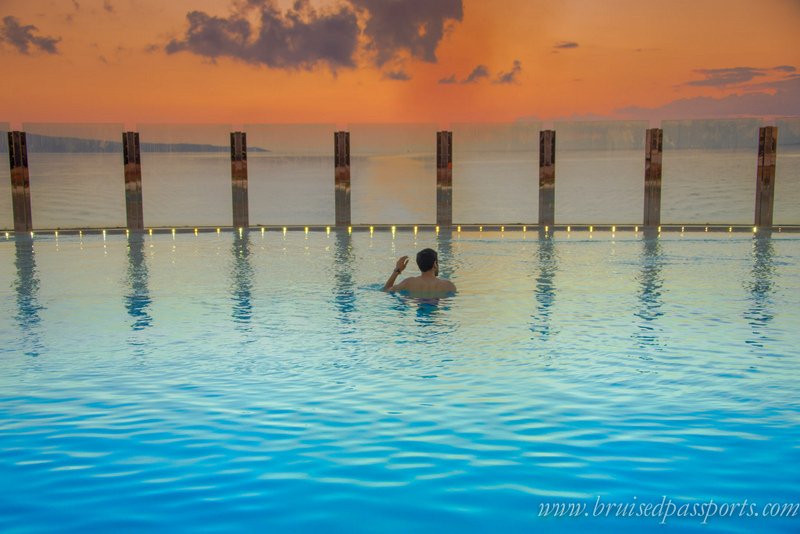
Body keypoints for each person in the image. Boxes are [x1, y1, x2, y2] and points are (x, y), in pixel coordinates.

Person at [383, 248, 457, 295]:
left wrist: (397, 270)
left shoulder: (408, 283)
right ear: (435, 264)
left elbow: (386, 289)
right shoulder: (449, 286)